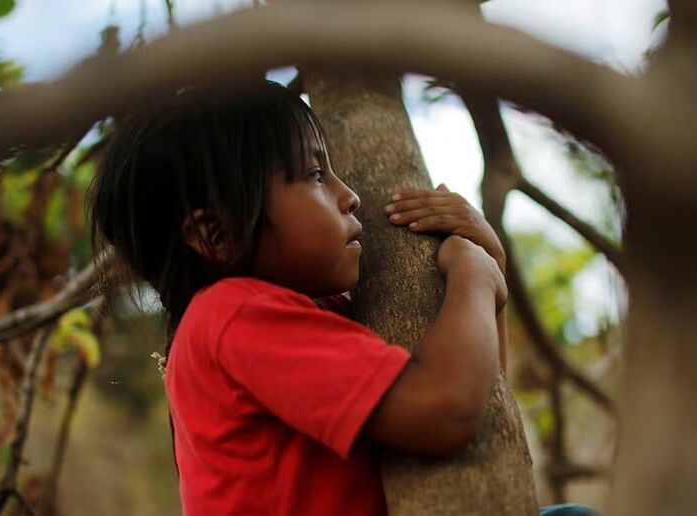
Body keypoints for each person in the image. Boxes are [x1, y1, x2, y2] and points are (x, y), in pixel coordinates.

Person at [88, 81, 597, 516]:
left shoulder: (312, 313)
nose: (348, 194)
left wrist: (490, 271)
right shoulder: (231, 315)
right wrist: (474, 275)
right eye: (313, 176)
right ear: (216, 233)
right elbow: (446, 409)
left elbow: (482, 398)